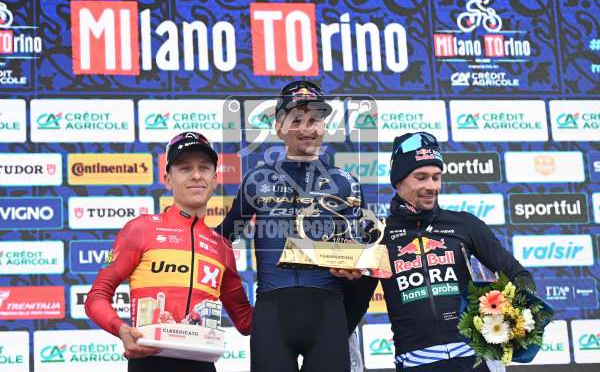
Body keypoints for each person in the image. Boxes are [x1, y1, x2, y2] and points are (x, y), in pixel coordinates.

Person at [342, 131, 535, 372]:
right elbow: (355, 305)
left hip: (473, 359)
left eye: (436, 177)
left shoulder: (464, 224)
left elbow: (517, 273)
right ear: (398, 181)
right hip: (416, 361)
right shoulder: (380, 235)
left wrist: (520, 309)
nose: (431, 186)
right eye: (421, 177)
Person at [217, 80, 364, 372]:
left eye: (315, 120)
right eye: (296, 120)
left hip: (329, 314)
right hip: (272, 314)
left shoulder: (345, 182)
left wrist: (357, 266)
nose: (307, 128)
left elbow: (363, 248)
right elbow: (221, 240)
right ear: (279, 127)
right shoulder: (257, 180)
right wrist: (237, 303)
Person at [85, 131, 253, 372]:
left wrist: (292, 291)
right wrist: (121, 330)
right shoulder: (141, 228)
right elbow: (96, 296)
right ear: (167, 179)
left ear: (215, 179)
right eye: (185, 168)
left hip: (202, 366)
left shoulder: (222, 246)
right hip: (149, 362)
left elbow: (246, 321)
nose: (196, 175)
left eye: (204, 168)